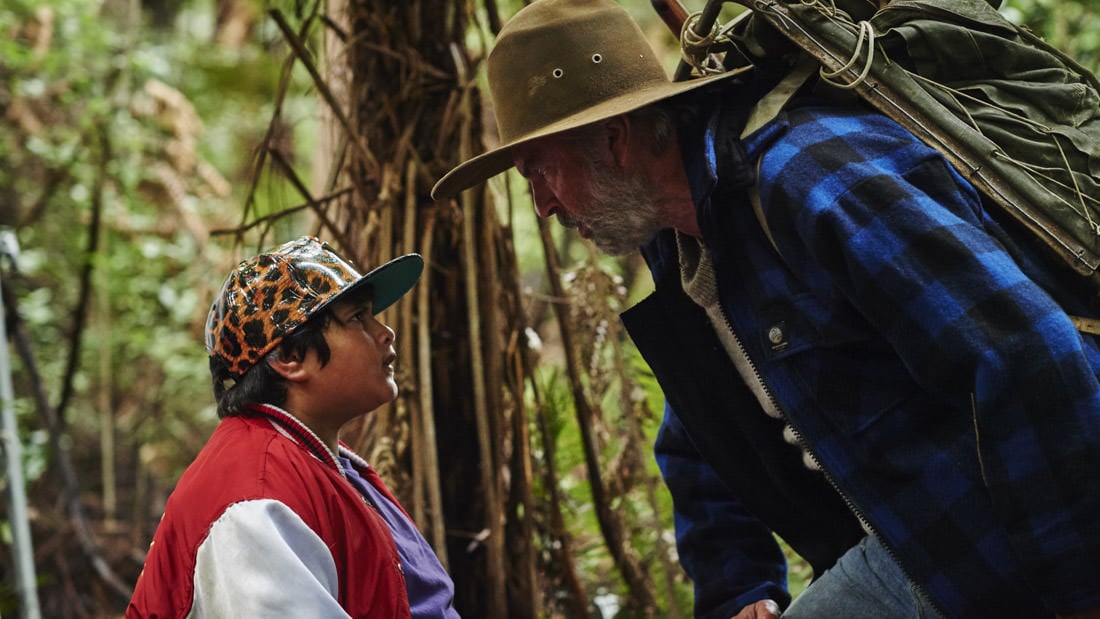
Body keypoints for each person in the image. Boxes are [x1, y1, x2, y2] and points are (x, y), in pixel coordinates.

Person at [431, 1, 1100, 618]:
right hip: (915, 543)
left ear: (615, 141)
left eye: (541, 172)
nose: (545, 208)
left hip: (1009, 546)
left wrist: (1073, 590)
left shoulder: (808, 178)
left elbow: (1025, 351)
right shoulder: (680, 246)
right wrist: (741, 586)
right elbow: (702, 434)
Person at [127, 236, 460, 618]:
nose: (386, 332)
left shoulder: (325, 462)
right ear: (289, 356)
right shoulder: (254, 504)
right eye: (357, 318)